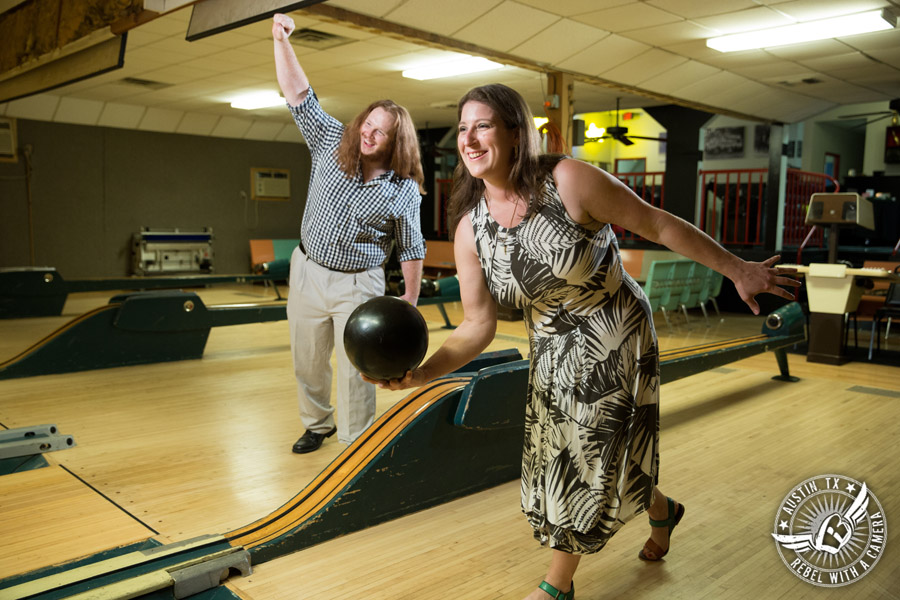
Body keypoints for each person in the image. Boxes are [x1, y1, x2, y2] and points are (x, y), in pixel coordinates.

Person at [366, 84, 800, 599]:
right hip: (551, 347)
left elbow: (657, 223)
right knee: (581, 454)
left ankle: (557, 586)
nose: (470, 138)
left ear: (513, 131)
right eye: (463, 128)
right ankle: (663, 511)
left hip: (614, 330)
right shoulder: (471, 229)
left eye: (482, 125)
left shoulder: (567, 180)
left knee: (582, 455)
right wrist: (422, 373)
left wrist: (736, 268)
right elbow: (476, 325)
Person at [272, 13, 427, 454]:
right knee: (308, 360)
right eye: (368, 123)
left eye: (380, 131)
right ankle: (316, 424)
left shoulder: (403, 191)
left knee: (358, 366)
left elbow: (412, 249)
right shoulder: (329, 141)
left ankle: (356, 441)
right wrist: (281, 39)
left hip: (359, 282)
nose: (368, 133)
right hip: (307, 270)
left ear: (396, 143)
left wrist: (410, 302)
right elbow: (298, 94)